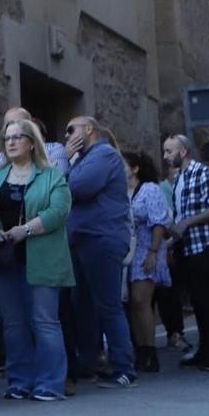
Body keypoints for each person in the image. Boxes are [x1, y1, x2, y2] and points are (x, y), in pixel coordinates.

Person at [0, 117, 73, 401]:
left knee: (45, 321)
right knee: (14, 322)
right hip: (5, 258)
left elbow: (59, 211)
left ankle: (51, 383)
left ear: (32, 143)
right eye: (7, 139)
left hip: (43, 257)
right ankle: (19, 381)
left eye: (18, 137)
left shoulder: (51, 174)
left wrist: (26, 230)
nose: (11, 143)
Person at [62, 115, 138, 388]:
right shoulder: (83, 159)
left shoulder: (103, 154)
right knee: (83, 305)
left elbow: (77, 187)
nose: (68, 136)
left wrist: (64, 163)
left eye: (72, 130)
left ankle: (123, 367)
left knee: (108, 305)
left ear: (89, 129)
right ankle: (90, 362)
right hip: (83, 241)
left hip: (101, 240)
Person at [164, 136, 209, 371]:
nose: (165, 156)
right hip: (185, 246)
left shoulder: (201, 172)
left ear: (183, 151)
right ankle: (205, 351)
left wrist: (188, 223)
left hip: (201, 245)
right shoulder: (179, 177)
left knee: (207, 301)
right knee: (198, 302)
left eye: (169, 151)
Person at [124, 148, 170, 373]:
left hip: (146, 248)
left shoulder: (150, 190)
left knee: (142, 300)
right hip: (128, 253)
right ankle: (140, 349)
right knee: (132, 303)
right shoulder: (122, 193)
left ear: (134, 168)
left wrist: (153, 251)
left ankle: (150, 349)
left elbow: (159, 222)